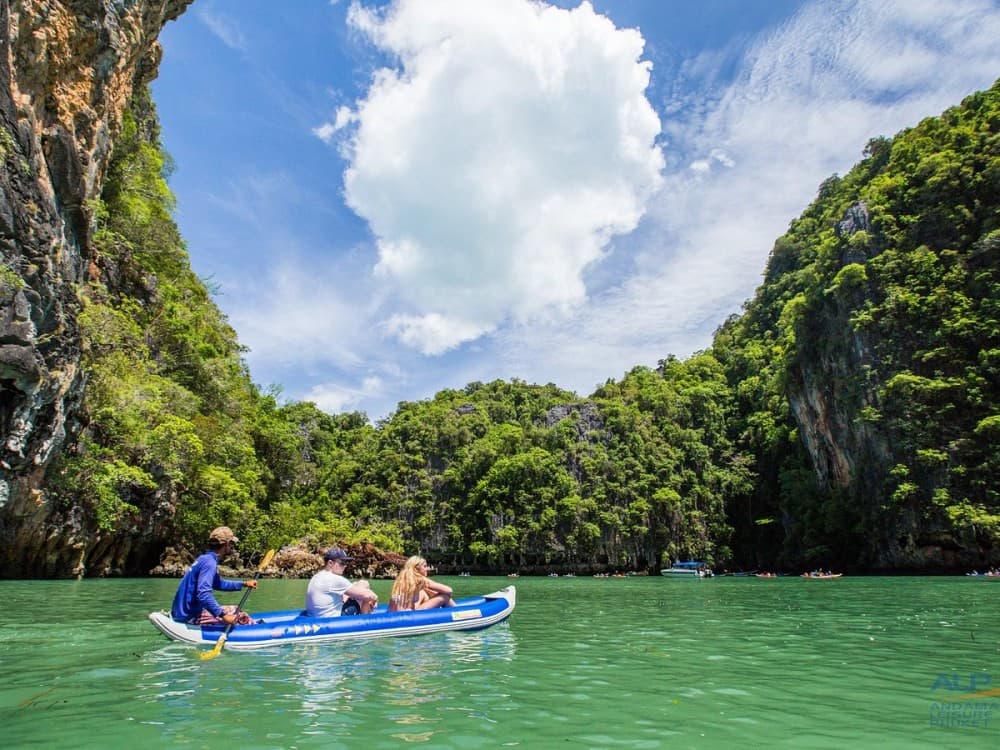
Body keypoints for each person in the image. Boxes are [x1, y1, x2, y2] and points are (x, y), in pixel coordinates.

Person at [171, 526, 257, 625]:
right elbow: (203, 594)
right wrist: (223, 616)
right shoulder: (209, 562)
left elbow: (219, 584)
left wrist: (244, 583)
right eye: (232, 544)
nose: (232, 547)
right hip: (190, 615)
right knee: (243, 617)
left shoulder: (204, 558)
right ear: (227, 544)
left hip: (182, 612)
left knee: (236, 609)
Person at [305, 547, 378, 617]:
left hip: (316, 617)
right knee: (364, 585)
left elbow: (350, 588)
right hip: (333, 620)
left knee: (358, 584)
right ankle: (365, 620)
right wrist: (374, 598)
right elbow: (367, 595)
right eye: (342, 563)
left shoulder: (317, 576)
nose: (345, 566)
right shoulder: (335, 579)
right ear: (330, 563)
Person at [389, 556, 455, 611]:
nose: (427, 569)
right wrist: (439, 594)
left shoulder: (402, 578)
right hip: (407, 616)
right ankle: (457, 613)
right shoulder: (419, 579)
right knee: (444, 597)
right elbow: (449, 590)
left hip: (393, 615)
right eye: (425, 566)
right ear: (416, 568)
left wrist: (427, 589)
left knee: (423, 593)